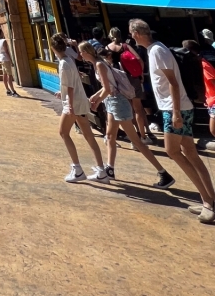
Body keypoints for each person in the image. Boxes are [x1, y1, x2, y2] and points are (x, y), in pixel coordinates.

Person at [130, 18, 215, 224]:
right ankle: (209, 200)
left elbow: (173, 83)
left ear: (137, 33)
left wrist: (175, 113)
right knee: (190, 153)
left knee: (173, 151)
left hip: (174, 108)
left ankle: (208, 201)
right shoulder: (155, 50)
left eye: (132, 33)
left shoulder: (157, 51)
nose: (131, 37)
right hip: (177, 107)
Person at [77, 42, 174, 188]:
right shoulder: (98, 64)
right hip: (112, 102)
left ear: (86, 52)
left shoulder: (99, 65)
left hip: (117, 102)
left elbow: (107, 89)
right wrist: (95, 97)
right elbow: (107, 87)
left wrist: (96, 102)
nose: (80, 55)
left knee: (136, 141)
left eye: (81, 52)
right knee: (110, 137)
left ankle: (163, 173)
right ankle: (109, 170)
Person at [50, 34, 107, 183]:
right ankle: (101, 170)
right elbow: (72, 82)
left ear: (53, 48)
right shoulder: (69, 60)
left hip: (72, 104)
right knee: (89, 135)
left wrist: (69, 105)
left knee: (63, 132)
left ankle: (77, 169)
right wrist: (62, 92)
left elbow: (69, 87)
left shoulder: (63, 63)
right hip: (80, 101)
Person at [0, 27, 19, 97]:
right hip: (6, 58)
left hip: (1, 58)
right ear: (1, 32)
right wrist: (11, 61)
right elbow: (6, 51)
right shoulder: (4, 41)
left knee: (4, 74)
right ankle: (13, 91)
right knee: (9, 75)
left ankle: (8, 90)